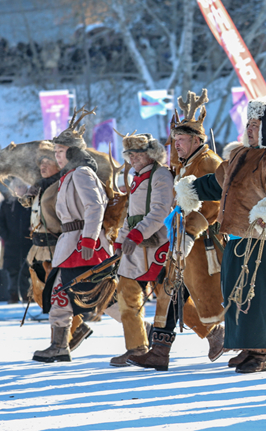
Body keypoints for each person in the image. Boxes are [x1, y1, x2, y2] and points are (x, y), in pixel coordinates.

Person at [176, 99, 266, 374]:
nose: (250, 129)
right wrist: (191, 190)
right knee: (236, 298)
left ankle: (258, 354)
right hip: (237, 239)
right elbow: (217, 182)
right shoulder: (239, 155)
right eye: (248, 124)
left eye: (255, 124)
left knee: (255, 297)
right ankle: (249, 346)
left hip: (264, 240)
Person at [128, 90, 226, 371]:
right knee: (167, 289)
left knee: (212, 294)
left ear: (197, 140)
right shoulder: (185, 163)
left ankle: (235, 339)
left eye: (180, 141)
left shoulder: (209, 162)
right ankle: (160, 351)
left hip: (204, 244)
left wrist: (190, 232)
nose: (176, 146)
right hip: (182, 241)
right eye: (174, 141)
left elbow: (213, 204)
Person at [33, 108, 113, 363]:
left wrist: (88, 239)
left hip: (84, 245)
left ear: (73, 152)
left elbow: (95, 206)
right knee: (60, 293)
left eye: (60, 152)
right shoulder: (70, 175)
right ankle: (59, 345)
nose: (57, 157)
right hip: (71, 244)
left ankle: (144, 338)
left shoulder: (81, 173)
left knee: (104, 297)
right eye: (55, 152)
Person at [109, 133, 172, 367]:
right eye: (130, 154)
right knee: (126, 291)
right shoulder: (137, 177)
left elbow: (160, 211)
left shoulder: (161, 176)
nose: (133, 158)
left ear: (151, 153)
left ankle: (213, 332)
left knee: (172, 298)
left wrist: (135, 235)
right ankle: (136, 348)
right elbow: (130, 215)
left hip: (158, 246)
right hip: (136, 247)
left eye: (138, 153)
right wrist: (120, 240)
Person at [24, 153, 93, 352]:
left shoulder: (62, 185)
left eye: (48, 162)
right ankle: (69, 335)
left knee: (60, 294)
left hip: (57, 245)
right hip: (40, 247)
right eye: (41, 163)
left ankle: (68, 336)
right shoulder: (40, 186)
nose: (43, 166)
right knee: (45, 294)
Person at [0, 179, 33, 303]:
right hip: (12, 242)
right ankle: (13, 294)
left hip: (28, 242)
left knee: (28, 269)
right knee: (12, 270)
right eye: (18, 187)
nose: (20, 189)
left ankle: (28, 293)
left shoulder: (30, 203)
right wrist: (6, 236)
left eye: (22, 186)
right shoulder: (7, 203)